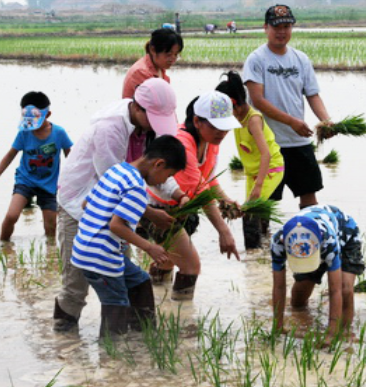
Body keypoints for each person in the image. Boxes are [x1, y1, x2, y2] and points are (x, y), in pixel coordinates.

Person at [53, 78, 179, 332]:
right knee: (76, 285)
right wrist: (151, 214)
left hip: (106, 206)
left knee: (124, 275)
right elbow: (117, 185)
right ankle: (65, 343)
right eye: (152, 118)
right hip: (79, 204)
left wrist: (178, 193)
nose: (155, 126)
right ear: (138, 108)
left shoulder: (144, 128)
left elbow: (154, 165)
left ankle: (134, 340)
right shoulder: (110, 129)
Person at [71, 136, 186, 337]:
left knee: (140, 280)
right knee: (116, 304)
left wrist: (149, 213)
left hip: (84, 249)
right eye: (168, 175)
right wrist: (149, 247)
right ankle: (111, 354)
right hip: (102, 256)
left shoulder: (116, 171)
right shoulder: (137, 188)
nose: (164, 182)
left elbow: (86, 205)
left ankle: (144, 336)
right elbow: (117, 225)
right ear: (159, 164)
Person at [146, 91, 241, 300]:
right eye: (216, 126)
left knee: (168, 259)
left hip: (178, 207)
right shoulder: (181, 145)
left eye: (225, 127)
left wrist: (224, 199)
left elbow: (205, 178)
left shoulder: (209, 142)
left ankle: (155, 302)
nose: (222, 133)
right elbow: (200, 191)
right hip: (156, 210)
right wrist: (224, 231)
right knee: (191, 266)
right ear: (197, 121)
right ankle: (183, 320)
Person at [244, 5, 333, 209]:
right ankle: (261, 241)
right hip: (268, 144)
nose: (282, 32)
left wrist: (326, 121)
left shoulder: (301, 59)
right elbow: (258, 100)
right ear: (266, 28)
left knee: (309, 196)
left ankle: (309, 237)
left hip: (298, 141)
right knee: (264, 203)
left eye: (286, 26)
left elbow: (312, 94)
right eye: (277, 27)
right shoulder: (257, 60)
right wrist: (291, 121)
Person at [270, 204, 365, 346]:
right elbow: (278, 287)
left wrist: (331, 334)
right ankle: (303, 314)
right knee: (298, 299)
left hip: (345, 235)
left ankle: (344, 332)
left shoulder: (329, 241)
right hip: (309, 243)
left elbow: (336, 289)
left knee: (345, 289)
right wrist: (278, 326)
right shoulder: (278, 242)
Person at [216, 71, 284, 249]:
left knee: (249, 212)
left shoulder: (253, 120)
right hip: (253, 172)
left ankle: (252, 254)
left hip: (270, 169)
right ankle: (265, 249)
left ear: (233, 104)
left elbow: (266, 154)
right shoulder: (237, 118)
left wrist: (259, 185)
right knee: (258, 211)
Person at [0, 91, 73, 241]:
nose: (32, 127)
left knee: (51, 227)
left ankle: (51, 254)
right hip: (25, 181)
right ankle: (4, 246)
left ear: (48, 115)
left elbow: (71, 158)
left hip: (49, 185)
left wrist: (72, 182)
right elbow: (9, 156)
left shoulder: (59, 133)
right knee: (11, 215)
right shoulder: (24, 133)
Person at [122, 28, 183, 161]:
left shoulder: (160, 71)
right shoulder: (142, 73)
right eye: (168, 54)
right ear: (153, 50)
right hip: (137, 135)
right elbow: (155, 110)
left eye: (176, 54)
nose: (172, 59)